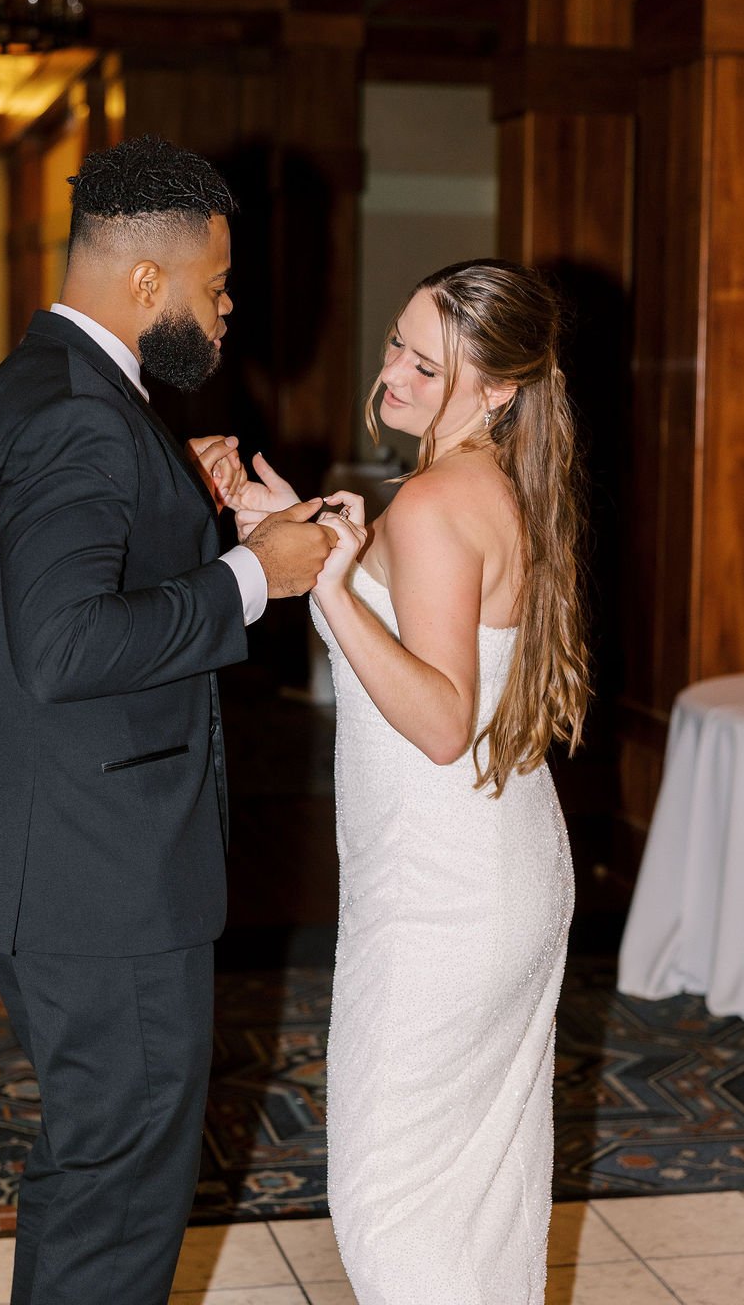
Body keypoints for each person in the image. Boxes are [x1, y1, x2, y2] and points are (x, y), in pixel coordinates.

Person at [0, 134, 334, 1305]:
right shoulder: (83, 414)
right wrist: (262, 574)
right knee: (121, 1189)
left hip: (56, 854)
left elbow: (61, 588)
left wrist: (185, 509)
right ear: (147, 282)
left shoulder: (46, 386)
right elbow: (64, 647)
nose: (226, 312)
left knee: (98, 1168)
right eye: (214, 288)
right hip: (98, 875)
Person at [232, 260, 589, 1304]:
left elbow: (437, 720)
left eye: (426, 364)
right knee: (475, 1195)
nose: (392, 372)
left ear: (498, 389)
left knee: (391, 1199)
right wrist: (302, 526)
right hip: (496, 865)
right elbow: (430, 643)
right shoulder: (482, 484)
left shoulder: (434, 500)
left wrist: (329, 584)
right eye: (394, 343)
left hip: (446, 890)